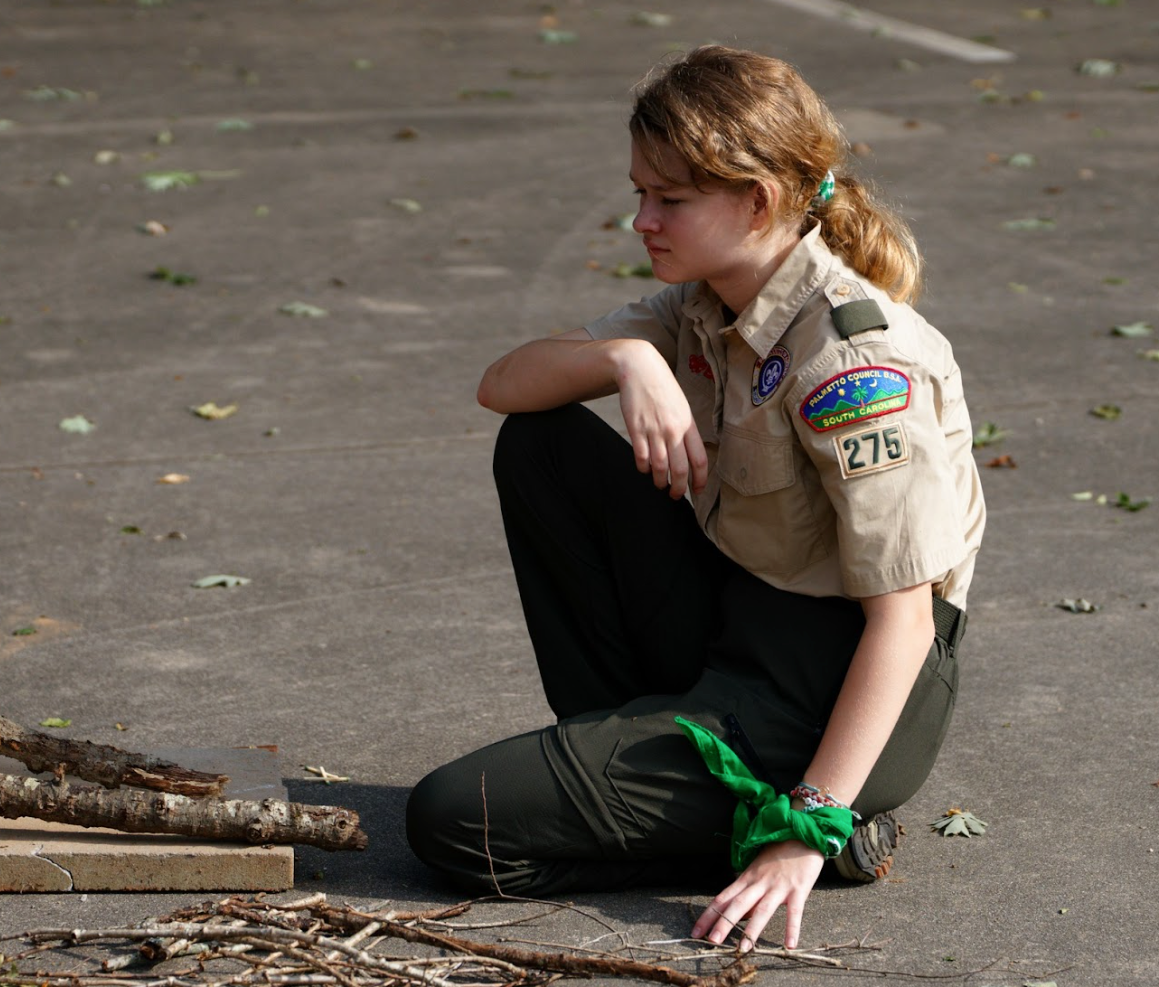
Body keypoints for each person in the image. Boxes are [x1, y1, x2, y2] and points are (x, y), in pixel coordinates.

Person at [405, 45, 986, 952]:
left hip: (836, 683)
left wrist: (808, 826)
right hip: (738, 615)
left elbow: (904, 623)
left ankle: (798, 828)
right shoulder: (702, 305)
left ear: (755, 200)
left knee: (451, 820)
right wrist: (624, 358)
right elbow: (503, 385)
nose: (641, 220)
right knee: (545, 441)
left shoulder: (854, 358)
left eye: (667, 199)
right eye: (639, 192)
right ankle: (634, 770)